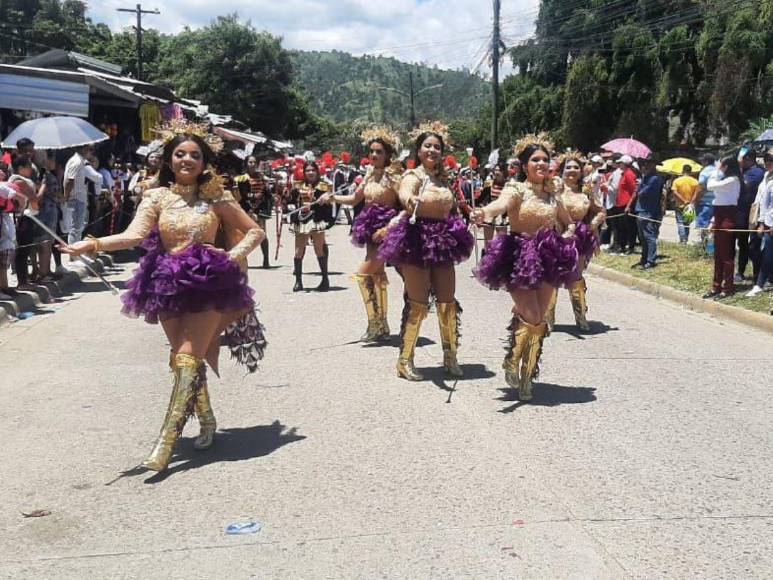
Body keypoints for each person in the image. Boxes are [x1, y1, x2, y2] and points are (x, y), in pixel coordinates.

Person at [58, 122, 267, 472]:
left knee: (187, 357)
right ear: (169, 160)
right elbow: (133, 235)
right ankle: (208, 418)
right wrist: (91, 245)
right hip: (168, 283)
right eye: (180, 154)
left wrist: (227, 259)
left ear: (204, 162)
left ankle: (165, 442)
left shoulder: (217, 196)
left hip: (208, 283)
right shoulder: (156, 196)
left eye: (195, 155)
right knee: (182, 358)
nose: (187, 159)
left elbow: (254, 231)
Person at [473, 134, 578, 402]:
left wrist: (568, 233)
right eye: (535, 160)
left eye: (545, 159)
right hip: (519, 254)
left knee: (540, 318)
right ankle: (512, 359)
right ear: (524, 164)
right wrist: (484, 213)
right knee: (530, 314)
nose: (541, 164)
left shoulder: (553, 194)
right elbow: (500, 205)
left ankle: (528, 375)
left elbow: (568, 222)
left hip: (549, 256)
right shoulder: (516, 189)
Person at [378, 121, 474, 381]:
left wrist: (468, 213)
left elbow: (451, 207)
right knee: (418, 303)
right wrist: (411, 201)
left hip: (443, 240)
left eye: (437, 147)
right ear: (418, 151)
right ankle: (405, 359)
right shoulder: (413, 177)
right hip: (416, 240)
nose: (432, 150)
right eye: (427, 146)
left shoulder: (443, 179)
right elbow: (405, 194)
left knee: (447, 301)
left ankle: (450, 356)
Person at [321, 126, 402, 342]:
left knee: (364, 274)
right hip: (369, 226)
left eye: (379, 152)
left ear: (388, 155)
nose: (374, 155)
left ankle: (375, 324)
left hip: (387, 230)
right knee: (376, 275)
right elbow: (355, 199)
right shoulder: (368, 176)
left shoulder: (394, 178)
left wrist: (390, 227)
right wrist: (332, 198)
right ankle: (381, 325)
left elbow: (406, 205)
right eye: (372, 151)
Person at [547, 153, 606, 331]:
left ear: (581, 171)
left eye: (576, 167)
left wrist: (592, 226)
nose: (572, 171)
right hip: (556, 235)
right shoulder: (554, 188)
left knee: (576, 278)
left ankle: (580, 316)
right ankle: (548, 318)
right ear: (562, 171)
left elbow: (601, 211)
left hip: (579, 238)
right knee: (552, 277)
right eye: (568, 167)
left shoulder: (586, 190)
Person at [289, 161, 335, 292]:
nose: (310, 173)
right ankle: (298, 281)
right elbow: (291, 202)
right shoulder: (297, 186)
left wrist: (325, 200)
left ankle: (325, 280)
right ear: (304, 172)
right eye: (307, 170)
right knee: (298, 251)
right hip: (301, 221)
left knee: (319, 250)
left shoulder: (324, 187)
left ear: (317, 172)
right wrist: (293, 207)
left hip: (316, 220)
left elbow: (330, 203)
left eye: (312, 170)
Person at [703, 156, 741, 299]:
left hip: (727, 218)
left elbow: (710, 186)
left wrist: (715, 171)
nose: (719, 167)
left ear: (727, 166)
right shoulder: (725, 180)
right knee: (717, 256)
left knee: (726, 256)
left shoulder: (733, 180)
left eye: (721, 164)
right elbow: (717, 198)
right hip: (719, 216)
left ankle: (728, 287)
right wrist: (713, 221)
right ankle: (716, 286)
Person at [234, 156, 273, 268]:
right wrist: (252, 198)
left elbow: (266, 193)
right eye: (250, 162)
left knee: (262, 234)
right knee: (241, 235)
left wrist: (271, 198)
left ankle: (266, 260)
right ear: (246, 164)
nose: (252, 164)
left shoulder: (262, 177)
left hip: (260, 208)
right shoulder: (241, 179)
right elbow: (241, 195)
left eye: (254, 162)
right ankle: (240, 259)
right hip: (246, 208)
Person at [745, 150, 773, 298]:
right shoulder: (766, 178)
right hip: (768, 222)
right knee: (762, 252)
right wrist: (761, 223)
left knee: (768, 254)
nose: (768, 162)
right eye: (767, 159)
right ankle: (760, 283)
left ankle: (760, 283)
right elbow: (764, 202)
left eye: (772, 159)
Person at [63, 145, 102, 249]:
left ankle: (76, 252)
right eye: (90, 150)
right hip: (76, 198)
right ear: (84, 149)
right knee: (75, 229)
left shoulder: (80, 161)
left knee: (78, 228)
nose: (90, 153)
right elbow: (70, 180)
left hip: (79, 198)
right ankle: (73, 253)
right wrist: (65, 197)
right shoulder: (77, 161)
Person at [33, 151, 64, 280]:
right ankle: (44, 272)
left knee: (42, 242)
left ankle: (43, 270)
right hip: (48, 212)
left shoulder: (39, 175)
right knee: (46, 242)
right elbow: (58, 196)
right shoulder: (46, 176)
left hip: (40, 212)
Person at [630, 158, 664, 270]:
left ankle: (651, 260)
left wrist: (641, 184)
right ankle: (644, 258)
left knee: (649, 236)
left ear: (654, 165)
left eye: (649, 164)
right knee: (642, 237)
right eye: (645, 164)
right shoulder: (646, 177)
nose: (646, 166)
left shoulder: (655, 178)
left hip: (649, 211)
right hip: (641, 209)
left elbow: (642, 193)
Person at [736, 153, 765, 283]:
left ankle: (757, 273)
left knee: (754, 245)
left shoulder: (757, 172)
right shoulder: (743, 172)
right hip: (741, 213)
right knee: (742, 243)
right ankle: (740, 271)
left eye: (742, 159)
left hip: (753, 213)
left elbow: (745, 185)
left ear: (749, 159)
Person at [694, 153, 718, 248]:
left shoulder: (704, 172)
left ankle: (705, 248)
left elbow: (701, 188)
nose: (701, 163)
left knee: (704, 227)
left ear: (706, 161)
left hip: (705, 203)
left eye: (702, 161)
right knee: (714, 227)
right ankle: (712, 249)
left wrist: (695, 201)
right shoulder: (718, 171)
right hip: (717, 203)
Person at [671, 165, 699, 244]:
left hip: (679, 205)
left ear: (682, 171)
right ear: (691, 172)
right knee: (687, 223)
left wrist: (683, 200)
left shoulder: (677, 181)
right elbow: (696, 193)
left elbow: (674, 192)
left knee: (680, 222)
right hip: (690, 206)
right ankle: (685, 239)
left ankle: (683, 239)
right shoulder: (695, 181)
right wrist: (691, 202)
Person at [616, 155, 638, 254]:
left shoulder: (629, 174)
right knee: (622, 227)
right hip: (621, 203)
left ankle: (630, 247)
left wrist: (629, 206)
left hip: (626, 204)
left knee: (629, 227)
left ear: (625, 164)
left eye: (620, 163)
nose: (618, 164)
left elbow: (634, 191)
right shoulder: (623, 174)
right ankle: (622, 246)